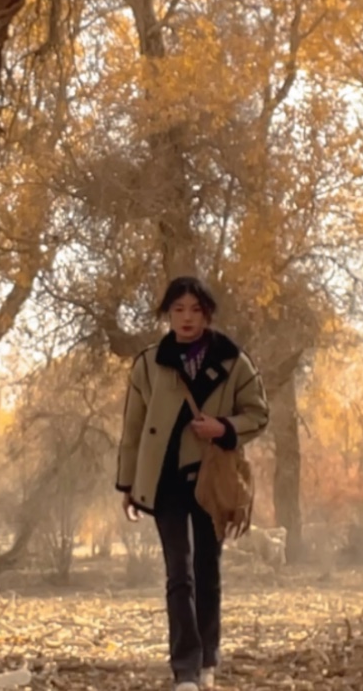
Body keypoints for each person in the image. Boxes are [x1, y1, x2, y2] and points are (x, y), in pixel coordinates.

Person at [115, 276, 270, 691]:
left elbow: (258, 413)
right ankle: (184, 668)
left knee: (207, 569)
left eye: (195, 310)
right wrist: (128, 483)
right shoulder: (149, 363)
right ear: (168, 313)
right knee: (178, 573)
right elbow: (132, 428)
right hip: (165, 481)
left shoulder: (233, 361)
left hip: (210, 481)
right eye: (178, 310)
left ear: (207, 314)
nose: (186, 318)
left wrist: (223, 426)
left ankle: (207, 663)